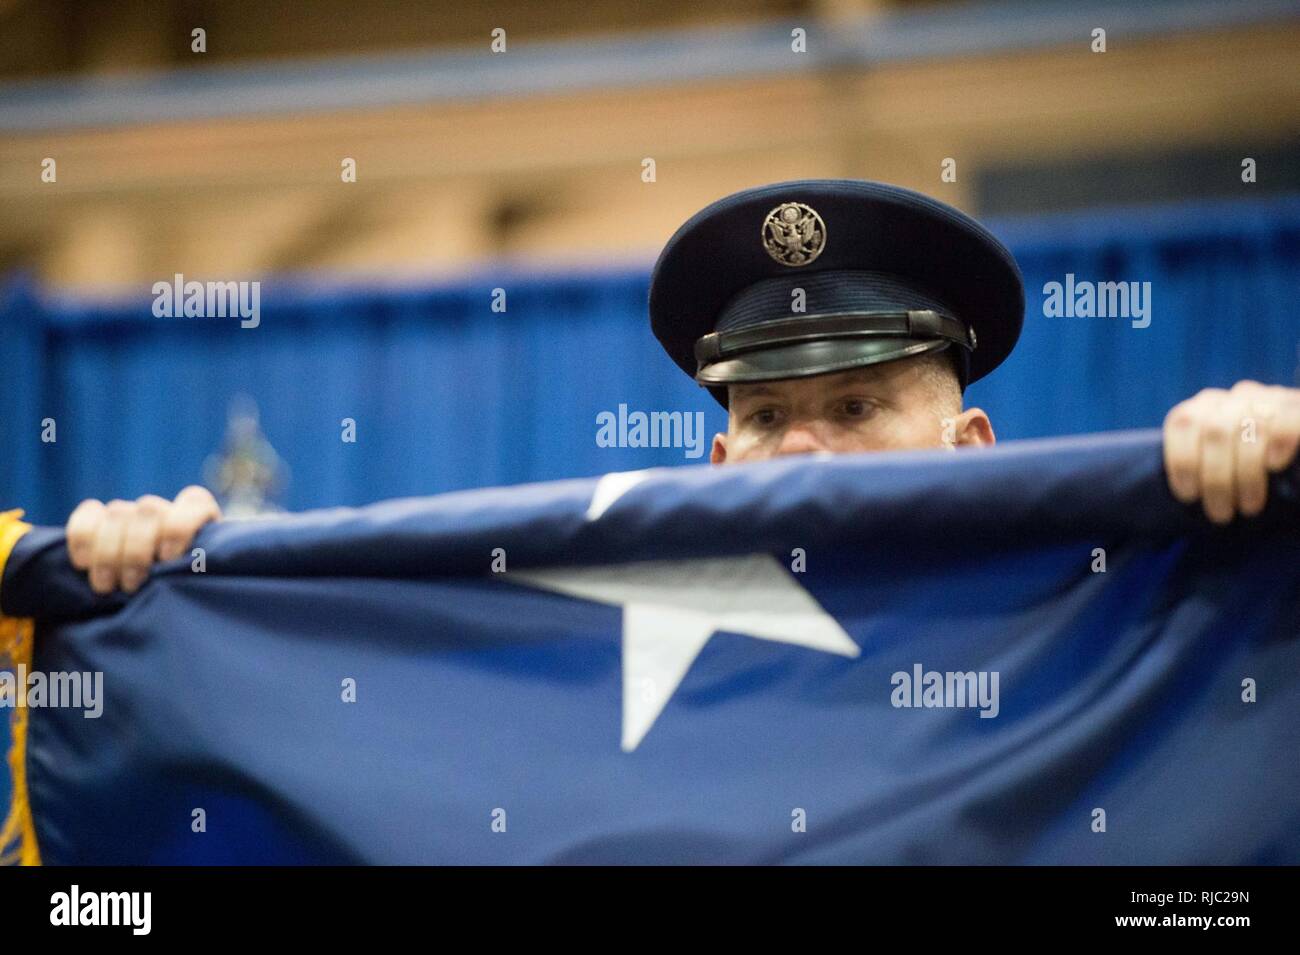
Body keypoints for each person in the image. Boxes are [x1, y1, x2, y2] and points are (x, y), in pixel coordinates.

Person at [65, 180, 1300, 595]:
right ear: (715, 465)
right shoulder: (613, 644)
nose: (800, 451)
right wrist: (182, 592)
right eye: (763, 418)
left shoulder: (1110, 613)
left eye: (860, 408)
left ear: (973, 442)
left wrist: (1276, 471)